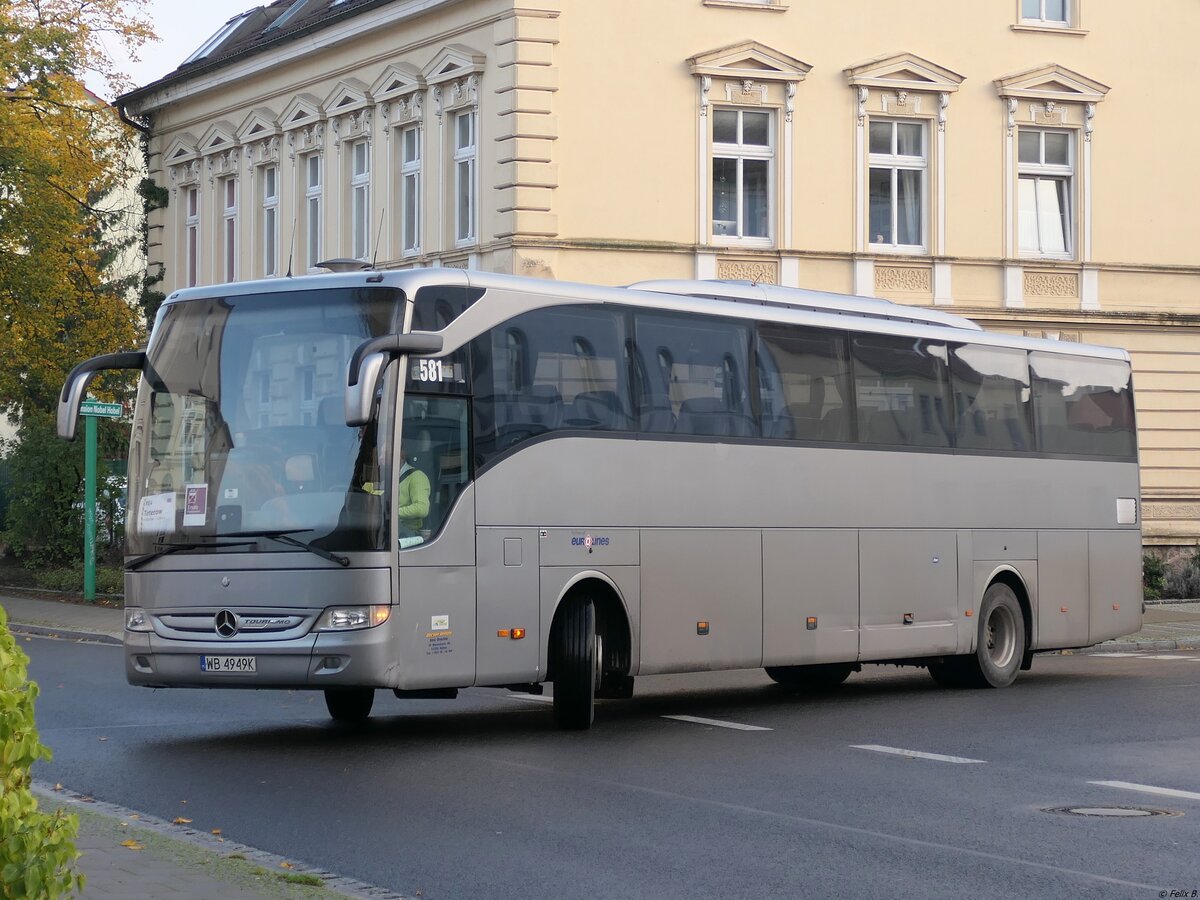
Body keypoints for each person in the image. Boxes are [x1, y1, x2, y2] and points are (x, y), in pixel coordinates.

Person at [395, 439, 431, 535]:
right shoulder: (386, 479)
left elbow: (421, 509)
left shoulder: (417, 476)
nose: (381, 458)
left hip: (407, 536)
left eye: (385, 454)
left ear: (401, 456)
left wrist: (393, 513)